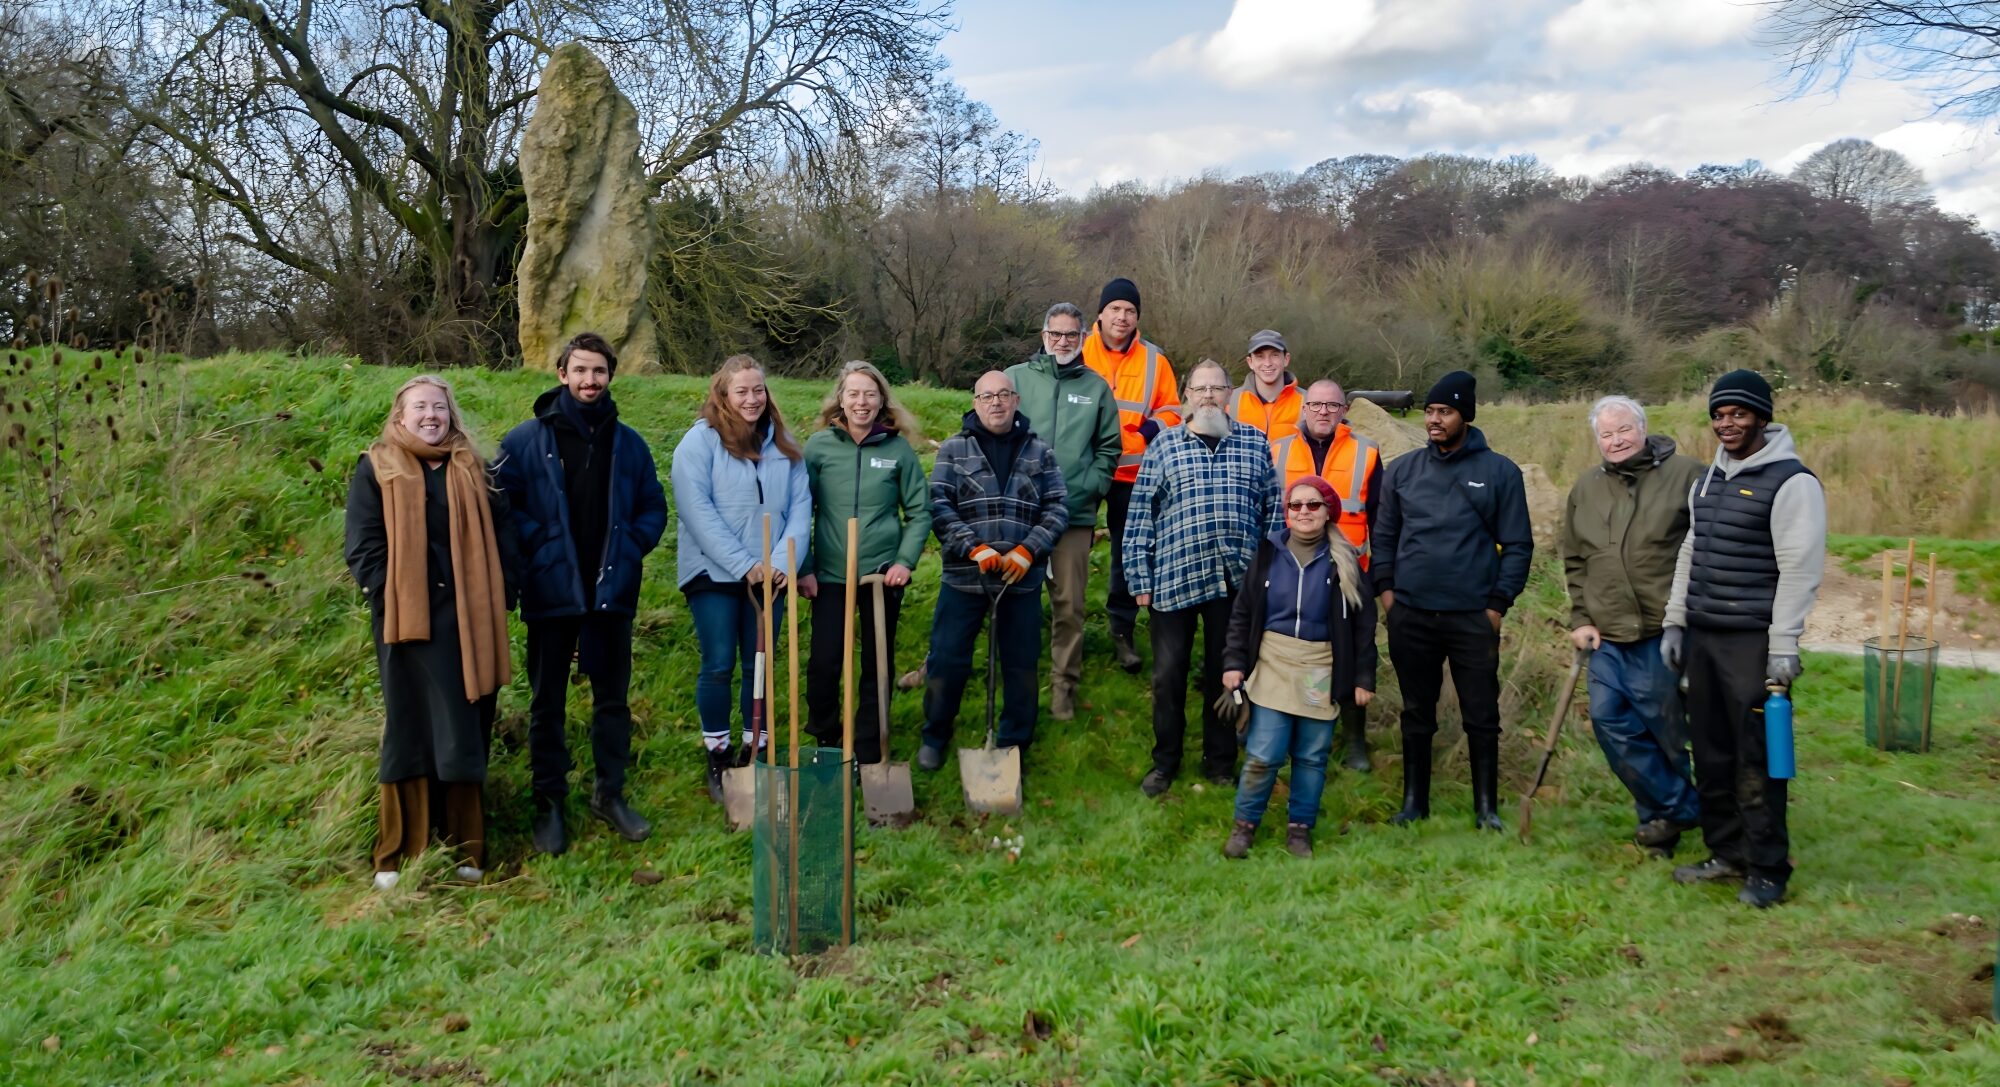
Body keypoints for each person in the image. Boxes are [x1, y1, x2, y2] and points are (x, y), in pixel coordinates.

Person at [496, 332, 667, 855]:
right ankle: (549, 802)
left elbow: (652, 509)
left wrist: (632, 547)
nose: (590, 380)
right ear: (562, 374)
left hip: (610, 592)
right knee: (548, 703)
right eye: (580, 371)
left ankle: (608, 794)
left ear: (611, 376)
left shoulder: (630, 444)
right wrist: (541, 545)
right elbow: (504, 506)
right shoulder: (524, 441)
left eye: (599, 371)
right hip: (551, 592)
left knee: (611, 701)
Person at [344, 375, 516, 890]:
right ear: (400, 415)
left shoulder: (476, 468)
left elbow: (506, 535)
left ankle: (466, 849)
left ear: (451, 414)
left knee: (463, 729)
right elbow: (363, 543)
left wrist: (502, 592)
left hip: (469, 622)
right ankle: (399, 852)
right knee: (411, 730)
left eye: (438, 407)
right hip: (408, 625)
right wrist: (388, 591)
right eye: (419, 407)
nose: (430, 416)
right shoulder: (377, 467)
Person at [1663, 370, 1825, 908]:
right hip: (1704, 638)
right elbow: (1691, 552)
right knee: (1709, 754)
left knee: (1754, 757)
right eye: (1718, 415)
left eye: (1738, 414)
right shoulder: (1707, 479)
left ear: (1762, 416)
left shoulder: (1792, 482)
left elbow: (1799, 569)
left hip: (1752, 643)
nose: (1726, 424)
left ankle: (1768, 869)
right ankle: (1726, 854)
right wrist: (1675, 619)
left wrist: (1784, 645)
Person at [1371, 370, 1532, 831]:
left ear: (1466, 416)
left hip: (1472, 616)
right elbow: (1384, 539)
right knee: (1416, 712)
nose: (1434, 421)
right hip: (1411, 613)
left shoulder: (1500, 472)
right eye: (1430, 412)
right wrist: (1389, 598)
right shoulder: (1401, 470)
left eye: (1444, 412)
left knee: (1481, 714)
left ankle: (1486, 808)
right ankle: (1413, 802)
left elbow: (1518, 545)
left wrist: (1497, 606)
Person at [1123, 359, 1283, 796]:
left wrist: (1266, 573)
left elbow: (1274, 510)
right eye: (1201, 388)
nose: (1209, 395)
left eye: (1217, 388)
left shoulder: (1254, 442)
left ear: (1230, 394)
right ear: (1186, 396)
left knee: (1226, 674)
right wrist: (1140, 577)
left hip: (1236, 582)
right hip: (1174, 579)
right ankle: (1165, 762)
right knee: (1168, 676)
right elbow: (1140, 515)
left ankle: (1219, 761)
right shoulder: (1165, 446)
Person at [1560, 395, 1704, 856]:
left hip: (1661, 631)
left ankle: (1661, 828)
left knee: (1664, 731)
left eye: (1624, 430)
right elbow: (1575, 559)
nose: (1616, 440)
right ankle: (1685, 808)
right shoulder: (1586, 488)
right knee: (1608, 720)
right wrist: (1580, 617)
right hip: (1605, 635)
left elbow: (1709, 547)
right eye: (1606, 434)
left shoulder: (1688, 475)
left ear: (1642, 429)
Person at [670, 354, 812, 803]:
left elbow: (800, 510)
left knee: (761, 664)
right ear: (723, 395)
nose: (752, 399)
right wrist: (742, 564)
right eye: (742, 391)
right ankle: (718, 751)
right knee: (718, 664)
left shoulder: (783, 444)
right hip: (713, 572)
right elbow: (697, 512)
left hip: (770, 574)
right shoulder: (700, 443)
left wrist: (779, 564)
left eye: (759, 390)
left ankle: (758, 746)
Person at [917, 370, 1069, 771]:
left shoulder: (1041, 452)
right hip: (965, 578)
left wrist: (1028, 551)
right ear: (975, 402)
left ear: (1016, 400)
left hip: (1019, 581)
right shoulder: (954, 449)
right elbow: (940, 508)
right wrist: (973, 547)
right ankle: (935, 733)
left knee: (1019, 665)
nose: (996, 403)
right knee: (947, 660)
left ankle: (1013, 742)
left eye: (1003, 395)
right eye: (987, 397)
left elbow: (1057, 508)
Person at [1219, 477, 1377, 859]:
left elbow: (1364, 626)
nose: (1303, 512)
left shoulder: (1346, 562)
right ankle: (1244, 827)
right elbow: (1242, 613)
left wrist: (1362, 677)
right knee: (1263, 753)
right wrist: (1233, 663)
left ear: (1328, 513)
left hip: (1319, 669)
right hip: (1273, 663)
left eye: (1313, 505)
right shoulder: (1268, 553)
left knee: (1310, 754)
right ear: (1286, 512)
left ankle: (1299, 829)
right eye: (1295, 506)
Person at [798, 360, 929, 762]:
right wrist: (804, 567)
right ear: (840, 398)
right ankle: (826, 737)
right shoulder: (819, 447)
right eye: (853, 393)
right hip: (831, 575)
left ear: (881, 400)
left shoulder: (896, 449)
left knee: (878, 663)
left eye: (870, 394)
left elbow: (920, 511)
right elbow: (799, 509)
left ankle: (870, 747)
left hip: (880, 576)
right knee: (824, 662)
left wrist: (904, 562)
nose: (862, 401)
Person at [1007, 302, 1122, 721]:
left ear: (1083, 338)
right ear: (1043, 335)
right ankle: (1009, 678)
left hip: (1072, 516)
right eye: (1054, 334)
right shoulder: (1016, 379)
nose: (1061, 342)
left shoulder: (1096, 388)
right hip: (1019, 515)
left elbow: (1110, 447)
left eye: (1070, 335)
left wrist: (1091, 488)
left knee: (1069, 605)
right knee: (1008, 599)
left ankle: (1063, 687)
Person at [1271, 377, 1383, 771]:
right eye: (1316, 405)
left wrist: (1380, 578)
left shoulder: (1366, 452)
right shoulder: (1278, 450)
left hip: (1350, 571)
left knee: (1351, 651)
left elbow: (1379, 519)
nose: (1323, 412)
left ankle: (1354, 739)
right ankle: (1284, 730)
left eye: (1332, 406)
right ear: (1303, 408)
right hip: (1293, 568)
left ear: (1344, 411)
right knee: (1290, 652)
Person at [1083, 277, 1181, 675]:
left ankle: (1121, 632)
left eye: (1130, 311)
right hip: (1083, 473)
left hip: (1132, 475)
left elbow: (1173, 411)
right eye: (1116, 309)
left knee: (1127, 555)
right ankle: (1064, 626)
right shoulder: (1076, 350)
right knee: (1069, 550)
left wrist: (1143, 434)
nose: (1122, 317)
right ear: (1101, 313)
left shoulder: (1156, 361)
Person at [1228, 329, 1303, 443]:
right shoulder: (1229, 402)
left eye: (1275, 355)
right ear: (1250, 362)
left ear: (1286, 359)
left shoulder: (1309, 403)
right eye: (1260, 356)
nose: (1267, 363)